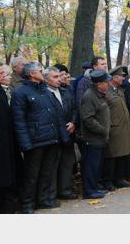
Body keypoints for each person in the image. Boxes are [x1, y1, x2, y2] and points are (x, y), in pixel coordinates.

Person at [11, 62, 70, 213]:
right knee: (31, 175)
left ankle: (43, 200)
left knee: (47, 173)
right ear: (31, 74)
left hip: (52, 138)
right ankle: (27, 204)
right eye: (40, 70)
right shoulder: (20, 92)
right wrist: (25, 143)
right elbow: (19, 121)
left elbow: (57, 116)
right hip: (34, 141)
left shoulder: (46, 90)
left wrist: (63, 137)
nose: (43, 73)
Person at [43, 67, 77, 201]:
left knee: (67, 163)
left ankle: (65, 190)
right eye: (55, 77)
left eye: (60, 76)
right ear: (46, 79)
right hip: (53, 135)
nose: (60, 79)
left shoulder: (66, 91)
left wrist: (73, 122)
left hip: (69, 133)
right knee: (52, 166)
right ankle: (51, 195)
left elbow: (74, 108)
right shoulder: (44, 93)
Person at [101, 66, 130, 191]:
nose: (123, 78)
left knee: (123, 154)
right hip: (113, 128)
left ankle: (119, 179)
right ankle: (107, 181)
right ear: (114, 77)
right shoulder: (106, 91)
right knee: (111, 156)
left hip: (123, 127)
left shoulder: (119, 90)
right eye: (121, 76)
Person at [79, 70, 112, 199]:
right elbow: (88, 119)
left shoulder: (99, 94)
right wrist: (103, 129)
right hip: (93, 139)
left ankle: (93, 188)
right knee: (91, 166)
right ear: (99, 84)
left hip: (100, 138)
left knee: (96, 165)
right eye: (106, 82)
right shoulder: (89, 96)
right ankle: (88, 191)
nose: (108, 83)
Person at [0, 61, 18, 213]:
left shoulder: (1, 92)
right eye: (0, 73)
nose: (4, 75)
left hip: (6, 144)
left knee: (7, 181)